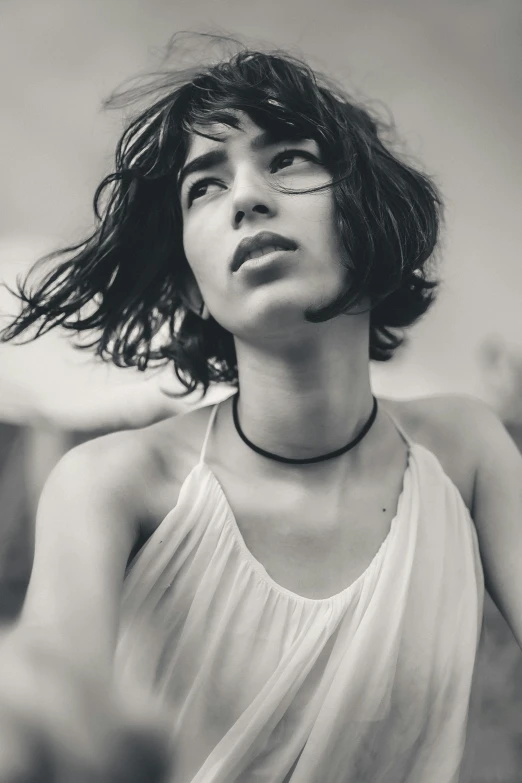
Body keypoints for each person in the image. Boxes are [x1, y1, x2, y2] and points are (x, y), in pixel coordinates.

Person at [1, 39, 521, 783]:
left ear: (365, 214)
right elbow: (55, 673)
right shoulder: (112, 483)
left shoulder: (468, 454)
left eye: (287, 159)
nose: (245, 196)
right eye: (203, 188)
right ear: (189, 284)